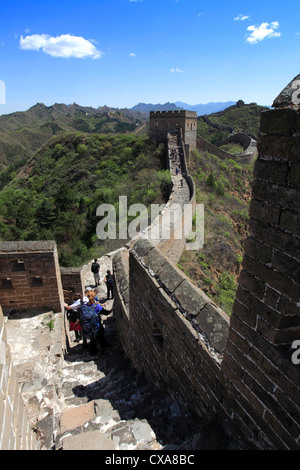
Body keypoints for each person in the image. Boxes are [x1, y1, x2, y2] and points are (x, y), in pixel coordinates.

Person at [80, 290, 109, 355]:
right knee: (101, 334)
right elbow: (105, 313)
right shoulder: (96, 306)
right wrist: (112, 309)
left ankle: (93, 352)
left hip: (88, 326)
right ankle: (103, 346)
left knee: (92, 339)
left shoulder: (83, 306)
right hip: (96, 326)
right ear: (94, 296)